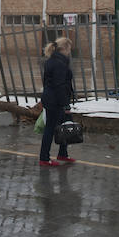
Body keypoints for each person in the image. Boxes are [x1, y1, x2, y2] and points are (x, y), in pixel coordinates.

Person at [38, 37, 75, 167]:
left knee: (64, 125)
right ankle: (44, 158)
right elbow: (59, 85)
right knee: (50, 128)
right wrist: (65, 104)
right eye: (69, 49)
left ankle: (63, 153)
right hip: (55, 100)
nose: (70, 52)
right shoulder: (59, 63)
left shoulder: (53, 61)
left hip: (51, 98)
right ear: (64, 48)